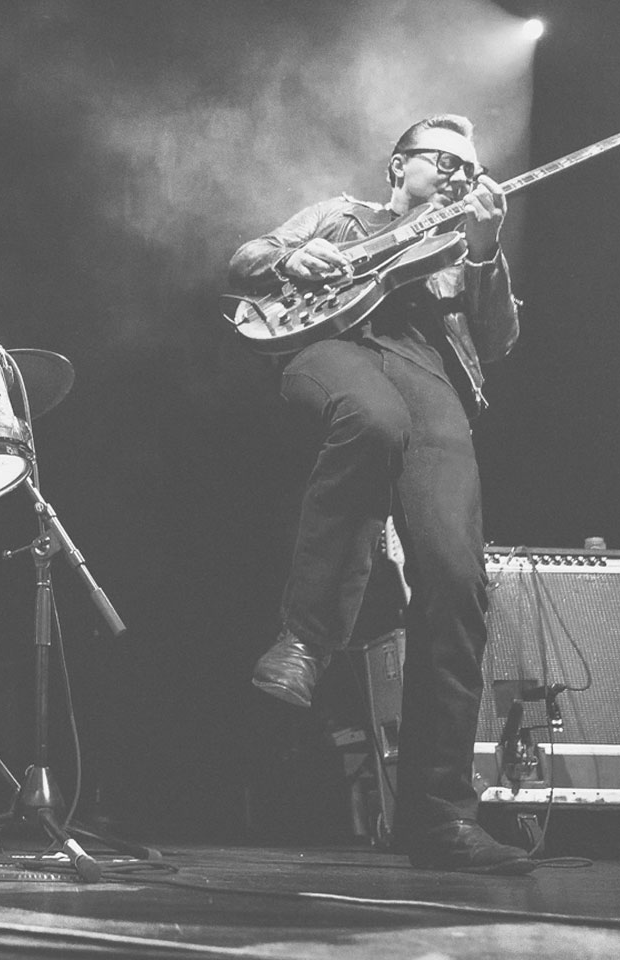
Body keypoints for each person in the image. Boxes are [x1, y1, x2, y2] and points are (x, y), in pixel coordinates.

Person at [228, 114, 532, 874]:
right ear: (399, 167)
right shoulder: (343, 213)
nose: (462, 176)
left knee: (457, 583)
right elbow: (245, 261)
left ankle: (436, 817)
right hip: (330, 347)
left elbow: (495, 340)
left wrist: (489, 251)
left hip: (430, 374)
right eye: (444, 162)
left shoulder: (463, 248)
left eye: (470, 167)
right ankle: (304, 639)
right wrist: (296, 256)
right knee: (370, 419)